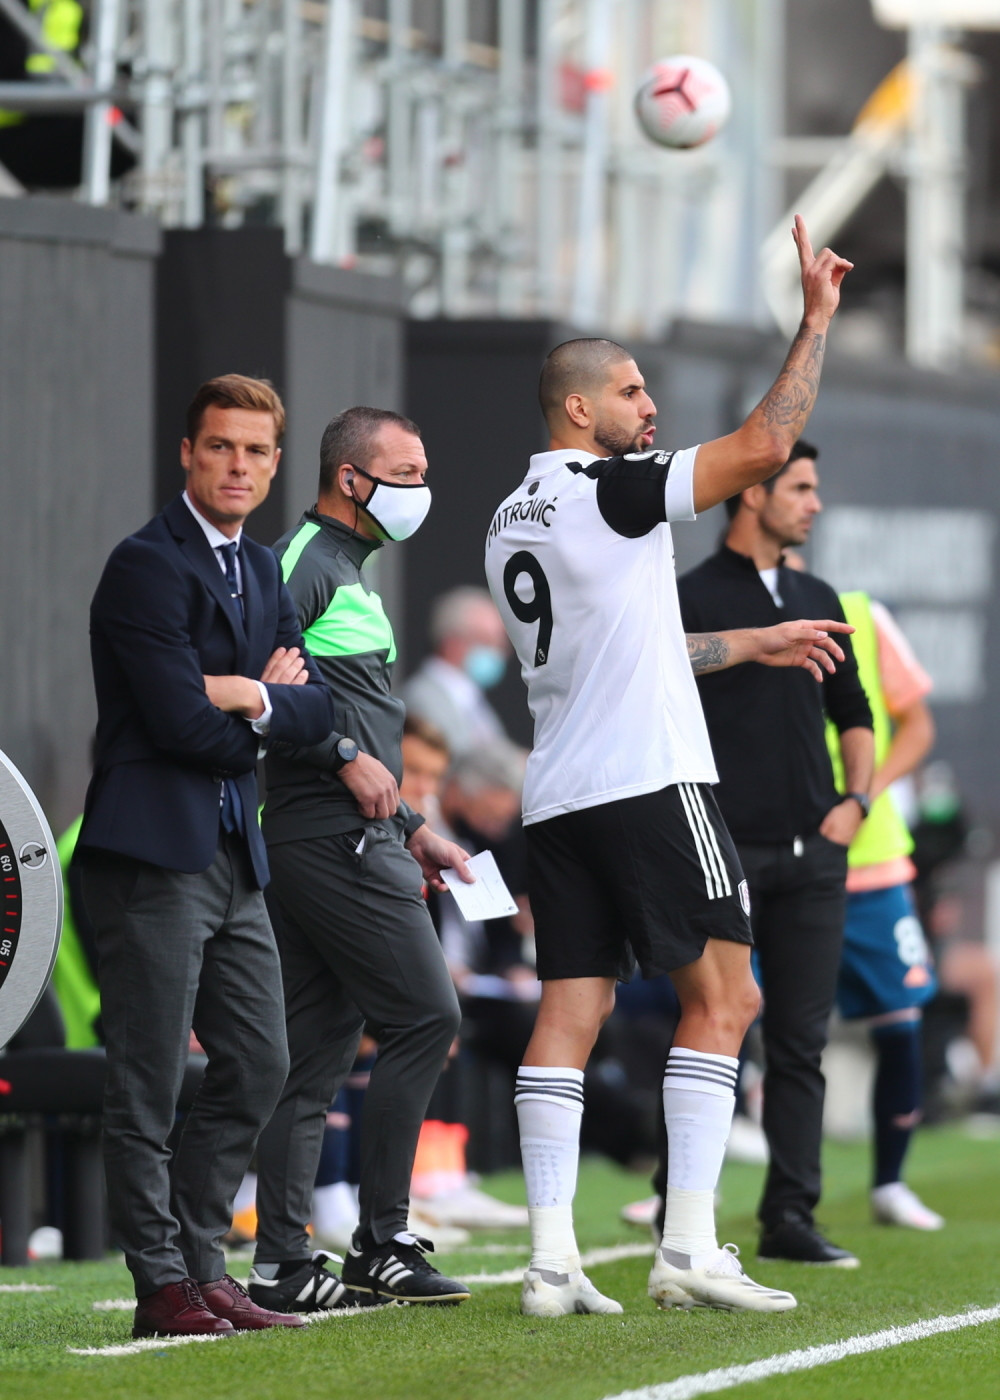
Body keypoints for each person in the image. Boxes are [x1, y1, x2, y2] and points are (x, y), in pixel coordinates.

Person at [483, 215, 853, 1316]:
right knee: (728, 993)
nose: (650, 410)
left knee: (572, 1006)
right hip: (651, 778)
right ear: (580, 410)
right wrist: (814, 319)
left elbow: (634, 640)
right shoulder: (612, 486)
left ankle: (551, 1260)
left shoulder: (511, 514)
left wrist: (749, 641)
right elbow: (763, 444)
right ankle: (687, 1241)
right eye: (635, 393)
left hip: (558, 792)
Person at [76, 374, 335, 1338]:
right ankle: (160, 1284)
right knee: (146, 1078)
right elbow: (181, 725)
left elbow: (316, 708)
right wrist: (253, 703)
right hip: (153, 851)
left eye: (256, 451)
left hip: (233, 854)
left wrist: (248, 696)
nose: (237, 464)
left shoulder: (262, 570)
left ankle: (202, 1264)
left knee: (261, 1064)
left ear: (274, 465)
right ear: (188, 454)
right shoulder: (146, 566)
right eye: (220, 446)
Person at [247, 406, 474, 1312]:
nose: (423, 490)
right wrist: (345, 762)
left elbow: (353, 722)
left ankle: (283, 1264)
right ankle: (383, 1240)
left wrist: (414, 824)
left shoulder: (349, 570)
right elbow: (257, 693)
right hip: (329, 837)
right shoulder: (299, 563)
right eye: (408, 473)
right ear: (351, 478)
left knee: (313, 1060)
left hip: (349, 835)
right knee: (426, 1017)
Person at [677, 440, 874, 1269]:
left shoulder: (818, 594)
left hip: (816, 858)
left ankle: (789, 1215)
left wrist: (854, 805)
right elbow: (654, 682)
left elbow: (853, 710)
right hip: (725, 851)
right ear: (752, 495)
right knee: (707, 1029)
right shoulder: (689, 595)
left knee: (801, 1040)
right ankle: (680, 1206)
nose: (815, 503)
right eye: (801, 487)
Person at [826, 592, 941, 1228]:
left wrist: (862, 794)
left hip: (873, 865)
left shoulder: (862, 615)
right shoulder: (726, 606)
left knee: (901, 1024)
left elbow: (918, 723)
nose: (809, 504)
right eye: (799, 488)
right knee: (728, 1015)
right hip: (778, 859)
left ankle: (890, 1184)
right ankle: (675, 1188)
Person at [402, 586, 512, 758]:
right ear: (451, 641)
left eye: (500, 642)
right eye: (486, 640)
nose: (498, 651)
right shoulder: (422, 698)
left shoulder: (472, 697)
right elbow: (455, 763)